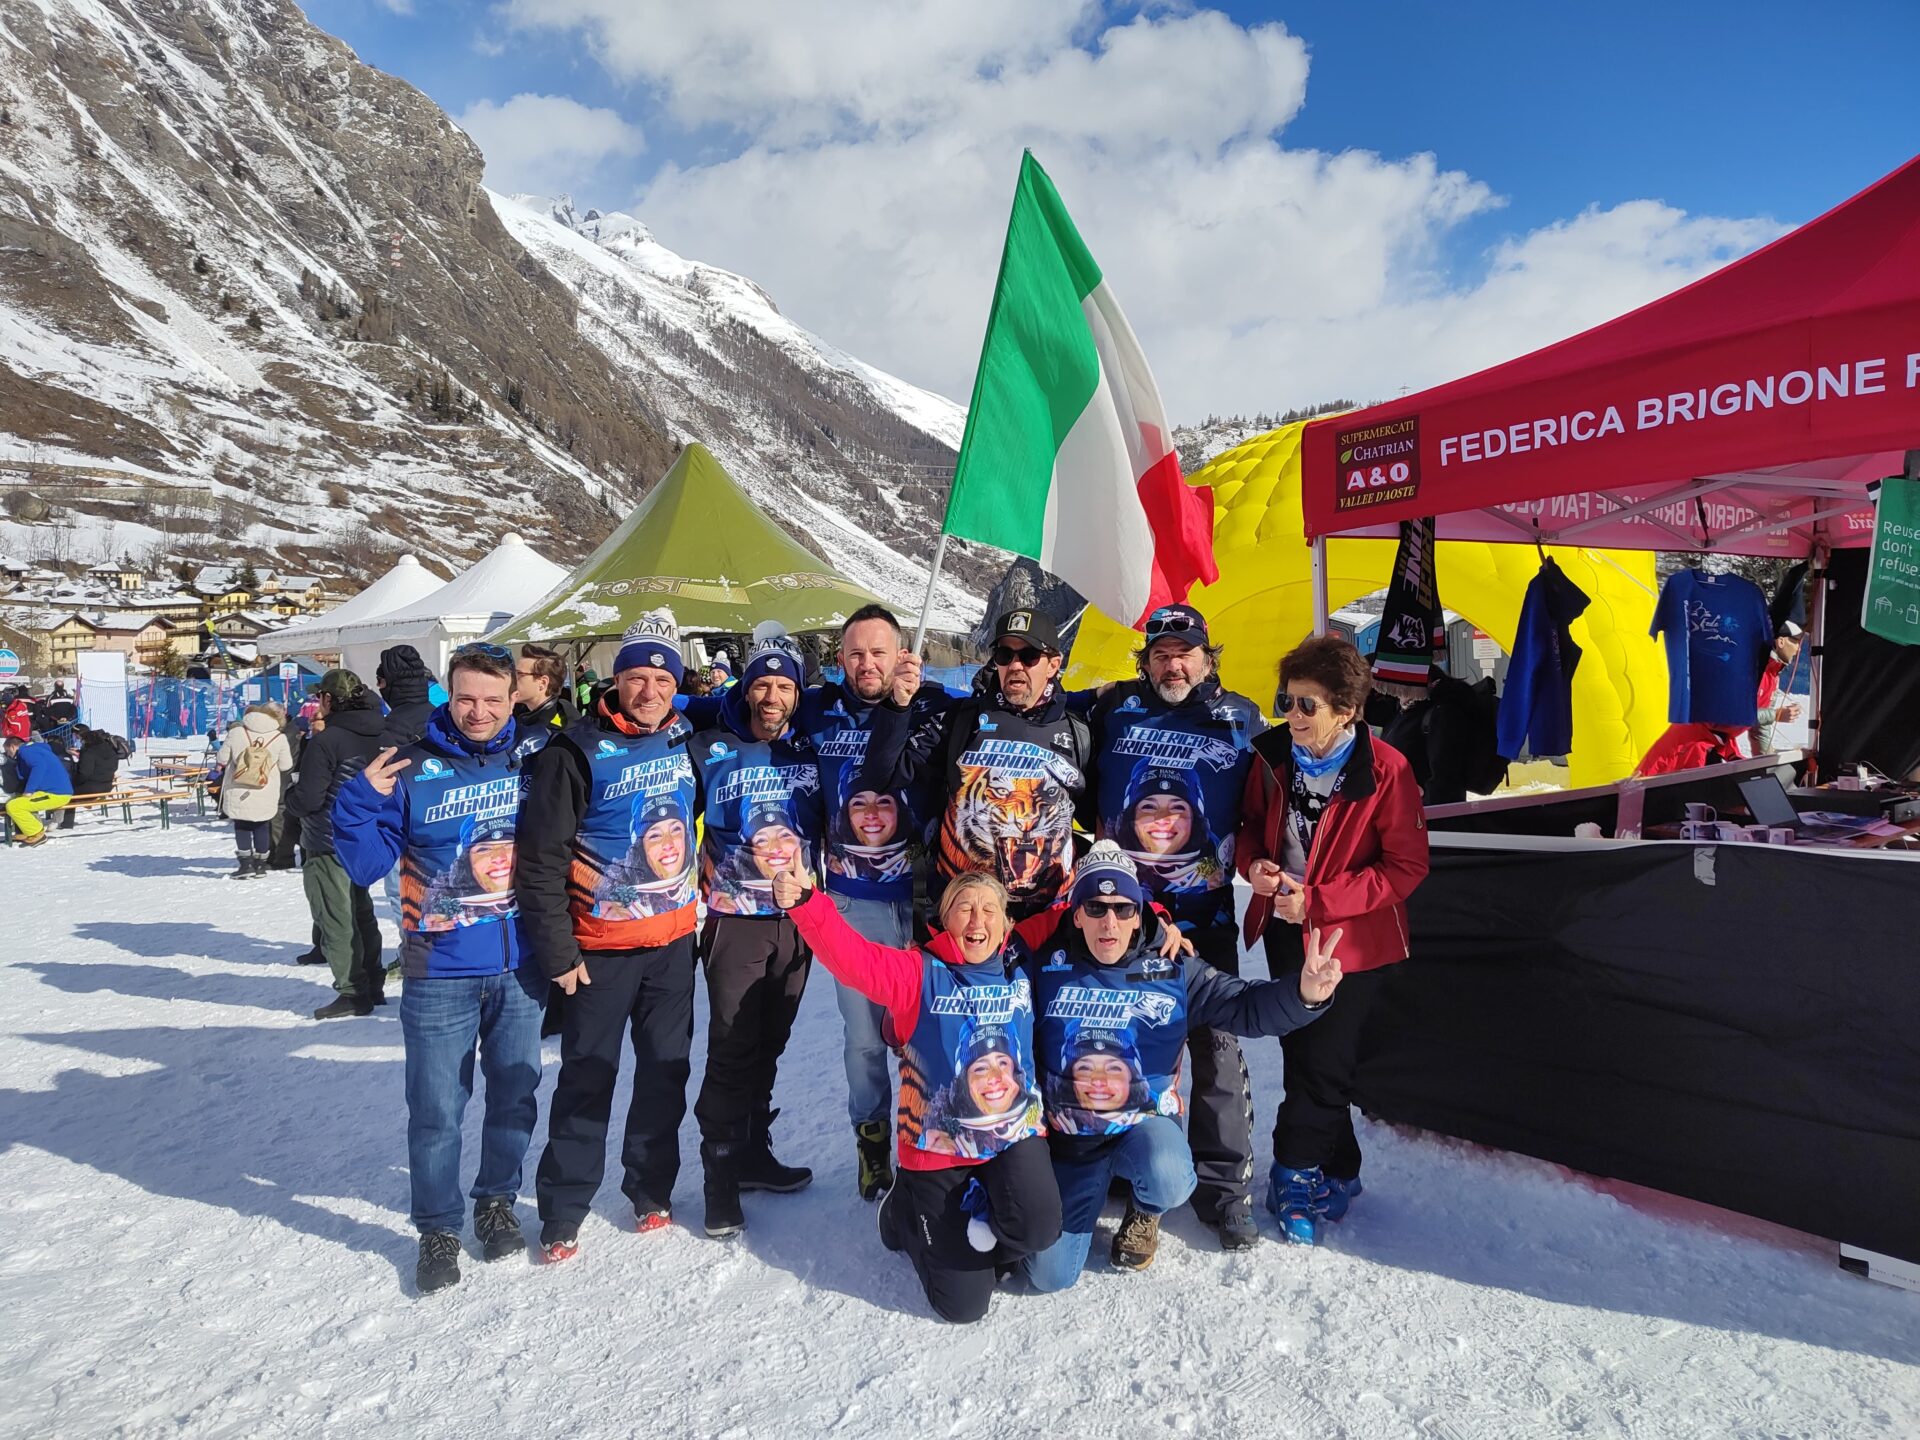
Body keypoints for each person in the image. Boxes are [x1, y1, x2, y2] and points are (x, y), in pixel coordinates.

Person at [1017, 843, 1340, 1286]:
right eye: (1094, 907)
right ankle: (1086, 1196)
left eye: (1122, 908)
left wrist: (1303, 995)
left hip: (1142, 1131)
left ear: (1139, 913)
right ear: (1076, 914)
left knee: (1167, 1172)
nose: (1109, 922)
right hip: (1072, 1145)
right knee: (1048, 1277)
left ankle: (1146, 1208)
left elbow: (1243, 1005)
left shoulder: (1172, 968)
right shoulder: (1045, 965)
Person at [333, 641, 548, 1295]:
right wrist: (359, 800)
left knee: (514, 1097)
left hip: (521, 966)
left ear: (513, 698)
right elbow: (365, 865)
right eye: (464, 698)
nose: (477, 711)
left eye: (491, 698)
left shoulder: (534, 762)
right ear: (445, 698)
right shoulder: (411, 767)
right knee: (435, 1111)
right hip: (438, 971)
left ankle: (496, 1201)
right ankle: (437, 1227)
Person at [773, 865, 1062, 1324]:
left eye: (990, 910)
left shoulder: (1020, 958)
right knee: (964, 1306)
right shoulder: (917, 972)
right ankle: (907, 1212)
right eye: (964, 909)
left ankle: (980, 1214)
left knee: (1040, 1227)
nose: (977, 921)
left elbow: (1082, 911)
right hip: (937, 1149)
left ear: (1007, 922)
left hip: (1011, 1137)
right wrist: (809, 904)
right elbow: (854, 959)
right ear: (944, 920)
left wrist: (1157, 918)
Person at [518, 611, 704, 1260]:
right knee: (586, 1080)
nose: (649, 690)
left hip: (674, 948)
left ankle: (651, 1189)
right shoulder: (575, 751)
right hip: (597, 954)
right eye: (635, 677)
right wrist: (559, 952)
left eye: (661, 677)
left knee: (664, 1076)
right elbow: (539, 860)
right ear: (614, 681)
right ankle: (563, 1209)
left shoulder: (686, 737)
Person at [1087, 602, 1269, 1250]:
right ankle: (1126, 1165)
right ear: (1146, 660)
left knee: (1215, 1048)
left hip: (1204, 915)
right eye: (1161, 653)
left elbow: (1280, 802)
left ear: (1207, 656)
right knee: (1117, 1041)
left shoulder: (1241, 718)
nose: (1173, 663)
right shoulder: (1110, 711)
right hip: (1122, 913)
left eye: (1185, 651)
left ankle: (1224, 1192)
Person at [1237, 633, 1430, 1245]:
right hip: (1288, 935)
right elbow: (1246, 829)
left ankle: (1291, 1173)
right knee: (1306, 1056)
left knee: (1324, 1062)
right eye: (1285, 701)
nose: (1290, 716)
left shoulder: (1385, 770)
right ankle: (1340, 1168)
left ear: (1346, 711)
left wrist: (1318, 901)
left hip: (1353, 941)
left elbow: (1406, 866)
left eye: (1305, 706)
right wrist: (1256, 869)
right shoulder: (1271, 756)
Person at [684, 623, 825, 1236]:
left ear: (798, 693)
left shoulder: (810, 745)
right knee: (731, 1046)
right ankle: (717, 1176)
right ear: (745, 688)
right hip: (734, 921)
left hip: (798, 920)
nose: (772, 696)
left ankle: (751, 1153)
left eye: (783, 686)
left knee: (769, 1043)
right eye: (762, 683)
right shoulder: (708, 745)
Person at [861, 607, 1092, 921]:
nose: (1015, 666)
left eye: (1029, 656)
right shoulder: (961, 718)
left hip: (1047, 917)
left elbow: (1097, 815)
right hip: (965, 914)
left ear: (1053, 664)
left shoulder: (1078, 732)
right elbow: (882, 777)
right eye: (1004, 654)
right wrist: (897, 706)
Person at [284, 669, 387, 1018]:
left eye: (319, 698)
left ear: (329, 699)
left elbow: (310, 798)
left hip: (326, 839)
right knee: (362, 912)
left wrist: (290, 800)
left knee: (336, 917)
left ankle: (352, 991)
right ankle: (373, 982)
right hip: (365, 837)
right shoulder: (381, 732)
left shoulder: (328, 741)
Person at [215, 702, 294, 877]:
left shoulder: (237, 733)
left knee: (242, 825)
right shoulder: (278, 737)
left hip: (239, 787)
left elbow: (222, 757)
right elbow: (286, 765)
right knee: (262, 825)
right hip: (265, 788)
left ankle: (245, 866)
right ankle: (260, 865)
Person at [4, 733, 72, 845]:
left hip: (56, 793)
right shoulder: (35, 749)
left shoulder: (26, 752)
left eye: (7, 751)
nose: (8, 754)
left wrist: (29, 790)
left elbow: (39, 767)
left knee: (13, 806)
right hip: (53, 790)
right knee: (16, 800)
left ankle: (37, 833)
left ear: (12, 747)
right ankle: (28, 831)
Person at [1752, 621, 1803, 756]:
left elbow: (1761, 727)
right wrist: (1775, 714)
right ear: (1781, 642)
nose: (1799, 649)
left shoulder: (1773, 672)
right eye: (1796, 642)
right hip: (1702, 742)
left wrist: (1765, 762)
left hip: (1721, 743)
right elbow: (1736, 715)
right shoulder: (1754, 668)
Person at [58, 724, 121, 830]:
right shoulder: (108, 747)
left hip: (92, 787)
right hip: (107, 784)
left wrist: (74, 782)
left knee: (67, 792)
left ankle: (66, 824)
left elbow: (84, 773)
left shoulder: (88, 751)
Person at [513, 643, 576, 733]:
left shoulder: (548, 731)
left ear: (542, 683)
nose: (512, 679)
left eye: (519, 674)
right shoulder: (562, 709)